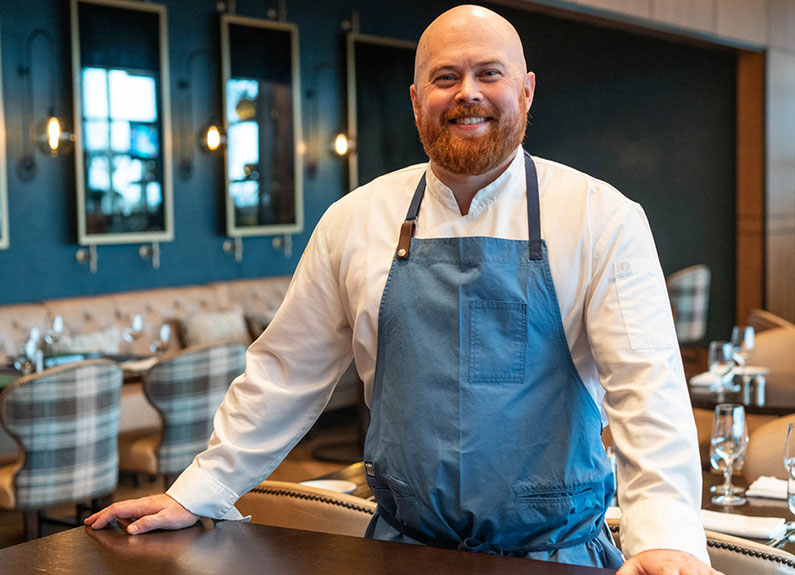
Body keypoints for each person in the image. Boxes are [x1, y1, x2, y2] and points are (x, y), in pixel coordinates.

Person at [87, 5, 720, 574]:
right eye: (446, 78)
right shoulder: (354, 220)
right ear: (416, 98)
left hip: (555, 555)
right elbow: (283, 374)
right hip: (400, 552)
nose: (467, 93)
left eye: (489, 74)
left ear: (526, 92)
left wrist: (664, 539)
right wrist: (193, 491)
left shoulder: (601, 217)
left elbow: (648, 387)